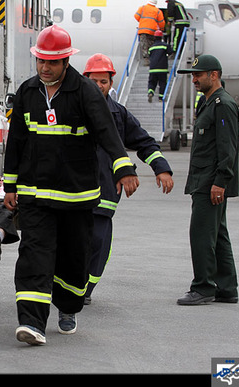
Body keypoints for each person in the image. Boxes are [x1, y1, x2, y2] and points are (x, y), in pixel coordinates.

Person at [3, 25, 139, 345]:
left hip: (76, 196)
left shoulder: (85, 92)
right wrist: (10, 184)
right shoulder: (27, 92)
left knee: (73, 258)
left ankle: (68, 306)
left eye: (52, 62)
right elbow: (17, 141)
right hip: (35, 194)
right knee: (34, 256)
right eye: (41, 61)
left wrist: (123, 168)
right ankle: (32, 323)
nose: (45, 68)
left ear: (66, 61)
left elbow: (107, 132)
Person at [83, 53, 174, 305]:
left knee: (99, 244)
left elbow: (145, 143)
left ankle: (86, 290)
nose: (99, 86)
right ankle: (67, 287)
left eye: (104, 81)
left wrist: (161, 168)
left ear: (111, 83)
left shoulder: (119, 114)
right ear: (84, 80)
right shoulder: (71, 111)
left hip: (104, 196)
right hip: (71, 194)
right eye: (94, 81)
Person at [176, 55, 239, 305]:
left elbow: (228, 148)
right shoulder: (208, 102)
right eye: (193, 75)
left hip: (210, 182)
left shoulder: (222, 104)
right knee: (218, 234)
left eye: (198, 75)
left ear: (214, 75)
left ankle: (203, 287)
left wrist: (220, 181)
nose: (194, 79)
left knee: (201, 234)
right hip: (205, 180)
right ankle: (226, 287)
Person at [134, 0, 166, 64]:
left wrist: (142, 21)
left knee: (144, 45)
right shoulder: (158, 11)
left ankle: (146, 59)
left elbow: (136, 16)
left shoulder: (142, 8)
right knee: (152, 45)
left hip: (143, 30)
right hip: (152, 31)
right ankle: (153, 58)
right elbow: (161, 22)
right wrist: (161, 29)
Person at [148, 30, 173, 102]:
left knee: (152, 82)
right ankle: (160, 98)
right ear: (161, 37)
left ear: (154, 37)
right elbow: (170, 52)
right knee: (162, 83)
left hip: (152, 68)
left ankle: (150, 92)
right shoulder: (164, 45)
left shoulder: (151, 47)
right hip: (162, 68)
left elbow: (149, 55)